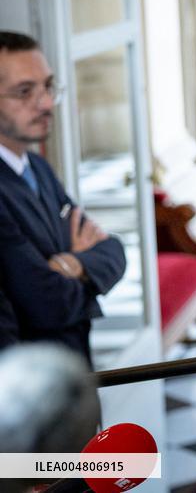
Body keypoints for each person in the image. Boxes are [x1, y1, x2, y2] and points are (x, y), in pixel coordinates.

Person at [0, 31, 126, 368]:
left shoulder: (37, 167)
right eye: (25, 92)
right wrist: (82, 264)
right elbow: (47, 301)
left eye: (48, 87)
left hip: (75, 377)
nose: (45, 104)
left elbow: (114, 251)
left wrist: (70, 264)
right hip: (31, 398)